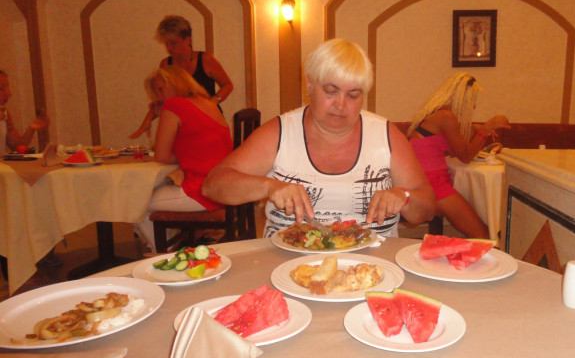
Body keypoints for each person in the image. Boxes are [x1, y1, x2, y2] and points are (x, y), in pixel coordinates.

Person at [202, 38, 435, 237]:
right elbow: (213, 185)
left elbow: (427, 208)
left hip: (375, 266)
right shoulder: (279, 132)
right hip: (289, 265)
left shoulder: (386, 134)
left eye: (353, 95)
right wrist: (268, 187)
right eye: (331, 91)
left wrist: (404, 196)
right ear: (310, 83)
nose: (340, 105)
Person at [135, 66, 233, 252]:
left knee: (137, 202)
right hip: (223, 185)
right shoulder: (207, 102)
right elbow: (196, 147)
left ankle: (162, 254)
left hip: (203, 190)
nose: (159, 97)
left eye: (161, 89)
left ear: (175, 83)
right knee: (157, 190)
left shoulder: (175, 105)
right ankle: (172, 245)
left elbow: (162, 155)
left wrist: (163, 115)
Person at [407, 72, 510, 239]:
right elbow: (465, 156)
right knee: (484, 234)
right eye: (472, 101)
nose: (474, 106)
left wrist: (476, 129)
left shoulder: (436, 113)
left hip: (425, 180)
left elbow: (452, 149)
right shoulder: (446, 117)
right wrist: (486, 129)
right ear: (463, 100)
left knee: (481, 230)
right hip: (434, 184)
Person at [129, 15, 234, 139]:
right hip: (182, 124)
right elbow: (163, 99)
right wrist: (148, 120)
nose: (169, 48)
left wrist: (213, 102)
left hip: (208, 121)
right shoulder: (166, 64)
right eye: (167, 43)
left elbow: (228, 85)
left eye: (173, 43)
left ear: (188, 40)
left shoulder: (206, 59)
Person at [0, 70, 50, 155]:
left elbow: (16, 146)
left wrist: (32, 127)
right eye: (1, 88)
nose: (9, 93)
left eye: (8, 87)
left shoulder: (4, 113)